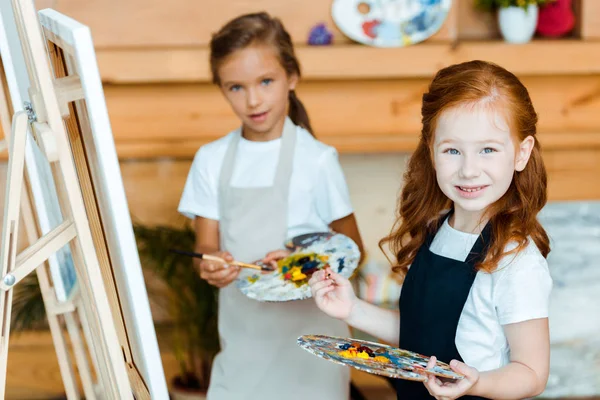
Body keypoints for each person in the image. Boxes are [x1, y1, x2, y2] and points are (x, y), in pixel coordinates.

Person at [309, 60, 553, 400]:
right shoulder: (436, 228)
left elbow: (532, 373)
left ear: (521, 153)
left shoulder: (515, 261)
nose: (469, 170)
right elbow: (418, 336)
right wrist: (352, 309)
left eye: (488, 150)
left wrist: (476, 383)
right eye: (452, 150)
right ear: (432, 151)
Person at [178, 12, 364, 400]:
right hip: (244, 346)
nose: (253, 99)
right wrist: (211, 263)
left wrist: (300, 262)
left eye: (266, 81)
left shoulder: (317, 159)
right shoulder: (210, 159)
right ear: (221, 89)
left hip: (316, 348)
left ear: (291, 77)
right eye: (236, 87)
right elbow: (204, 249)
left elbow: (352, 248)